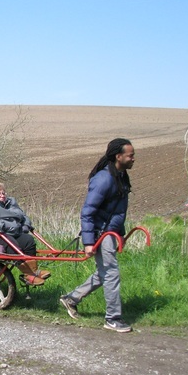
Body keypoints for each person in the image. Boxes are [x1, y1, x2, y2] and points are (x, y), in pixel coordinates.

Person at [60, 138, 135, 333]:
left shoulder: (120, 175)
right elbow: (88, 212)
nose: (133, 158)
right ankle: (112, 319)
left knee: (105, 273)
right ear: (118, 156)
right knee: (111, 274)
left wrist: (121, 235)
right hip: (100, 234)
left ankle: (71, 299)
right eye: (130, 155)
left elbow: (118, 212)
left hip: (110, 233)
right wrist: (88, 242)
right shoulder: (104, 179)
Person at [0, 182, 50, 285]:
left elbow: (23, 217)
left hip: (12, 233)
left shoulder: (10, 203)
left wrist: (25, 227)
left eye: (3, 193)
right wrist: (6, 225)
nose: (2, 196)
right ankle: (29, 274)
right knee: (12, 244)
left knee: (28, 241)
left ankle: (32, 272)